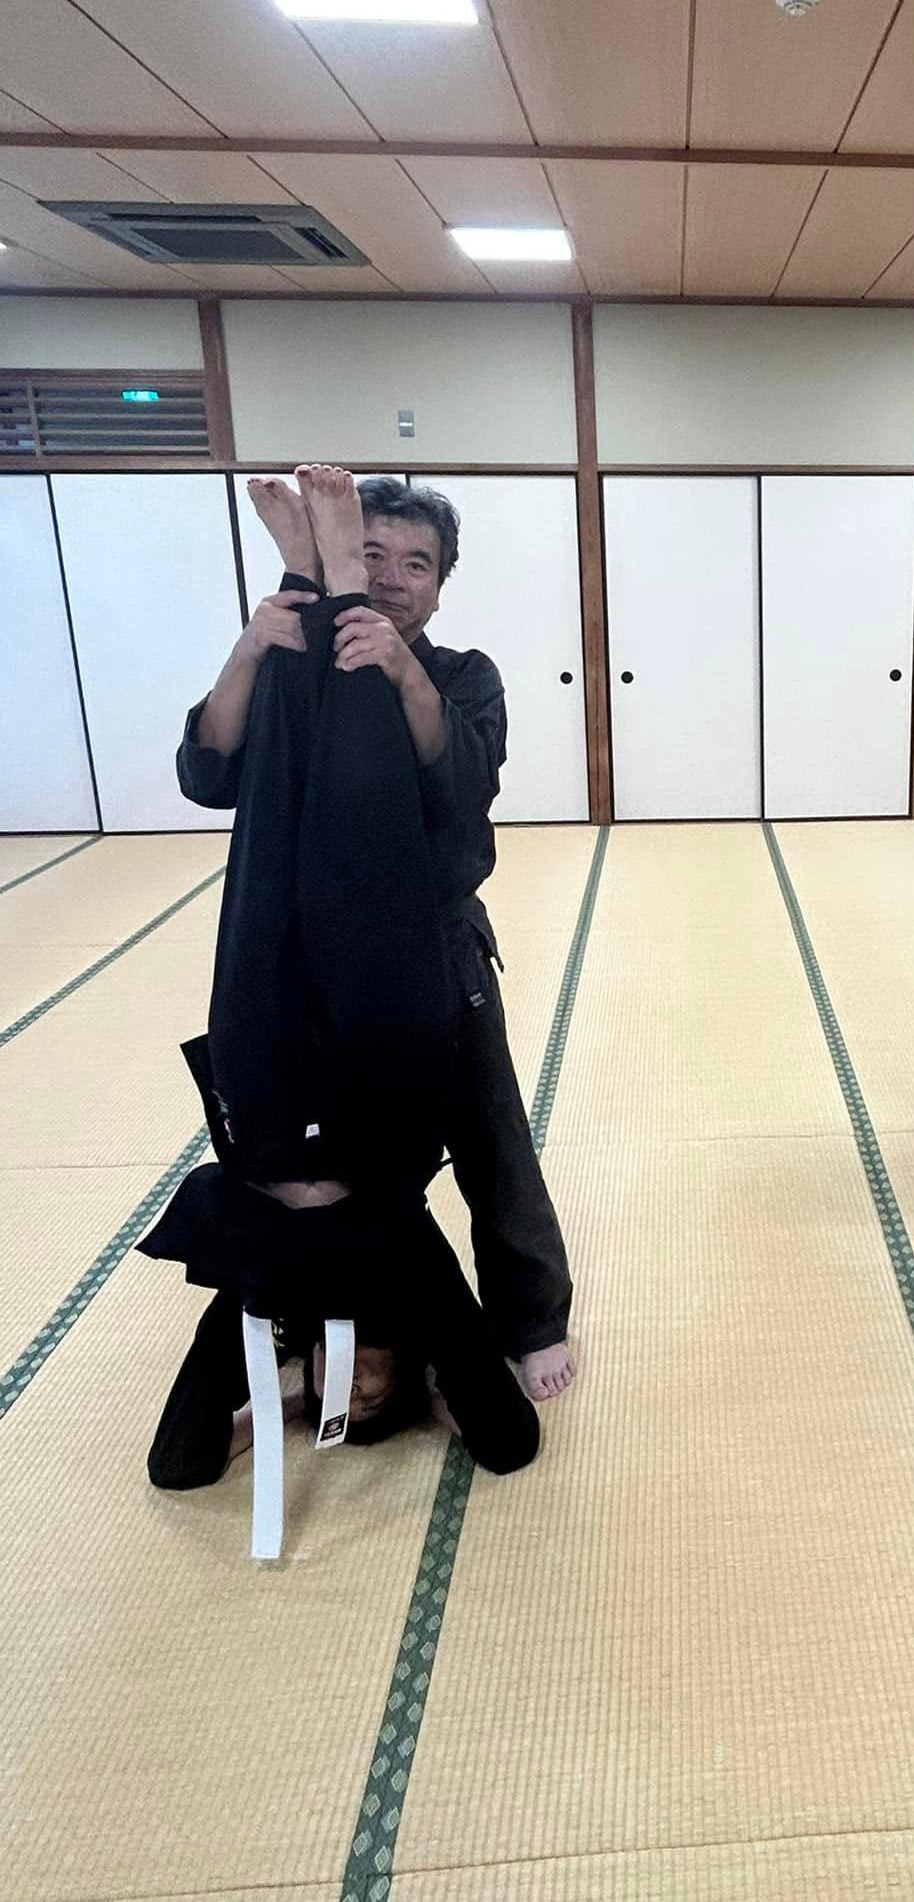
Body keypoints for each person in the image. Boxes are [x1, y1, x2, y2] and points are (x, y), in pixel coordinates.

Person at [141, 467, 540, 1539]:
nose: (399, 578)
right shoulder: (402, 1260)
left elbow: (459, 782)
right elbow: (205, 773)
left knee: (493, 1140)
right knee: (337, 753)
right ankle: (307, 583)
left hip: (332, 935)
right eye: (373, 557)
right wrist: (258, 642)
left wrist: (381, 662)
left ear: (442, 585)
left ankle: (300, 571)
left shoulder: (462, 674)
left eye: (416, 564)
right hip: (383, 962)